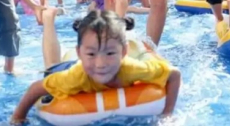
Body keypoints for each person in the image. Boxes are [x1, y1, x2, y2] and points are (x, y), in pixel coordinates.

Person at [11, 8, 181, 123]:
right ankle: (48, 19)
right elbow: (35, 89)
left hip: (85, 64)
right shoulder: (73, 78)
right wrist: (17, 119)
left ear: (124, 52)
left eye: (110, 53)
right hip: (68, 69)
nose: (101, 64)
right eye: (92, 54)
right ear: (79, 53)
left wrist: (167, 115)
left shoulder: (131, 69)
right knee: (52, 65)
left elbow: (174, 74)